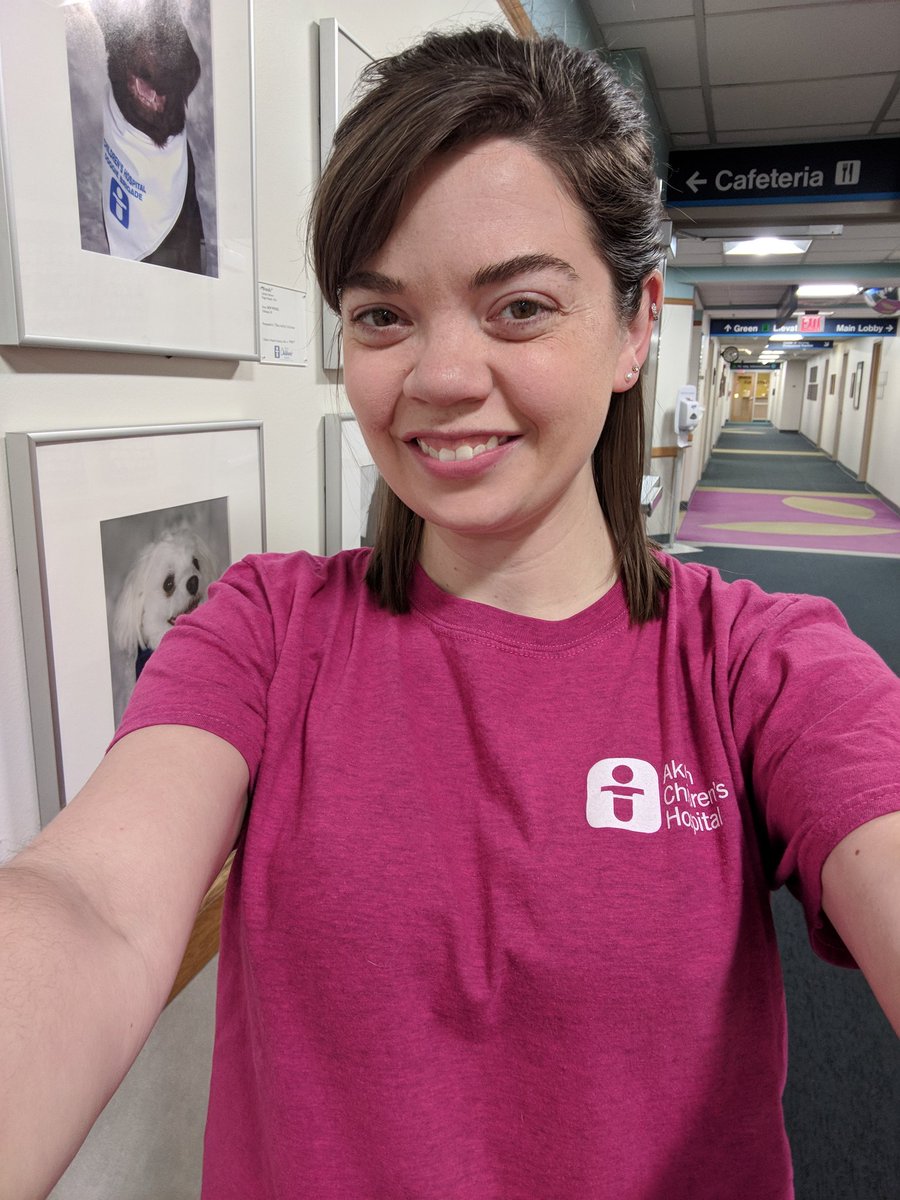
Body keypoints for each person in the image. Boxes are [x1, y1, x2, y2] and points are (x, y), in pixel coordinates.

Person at [2, 25, 899, 1200]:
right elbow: (93, 904)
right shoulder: (267, 630)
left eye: (518, 308)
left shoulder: (753, 665)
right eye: (383, 316)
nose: (438, 375)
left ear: (635, 324)